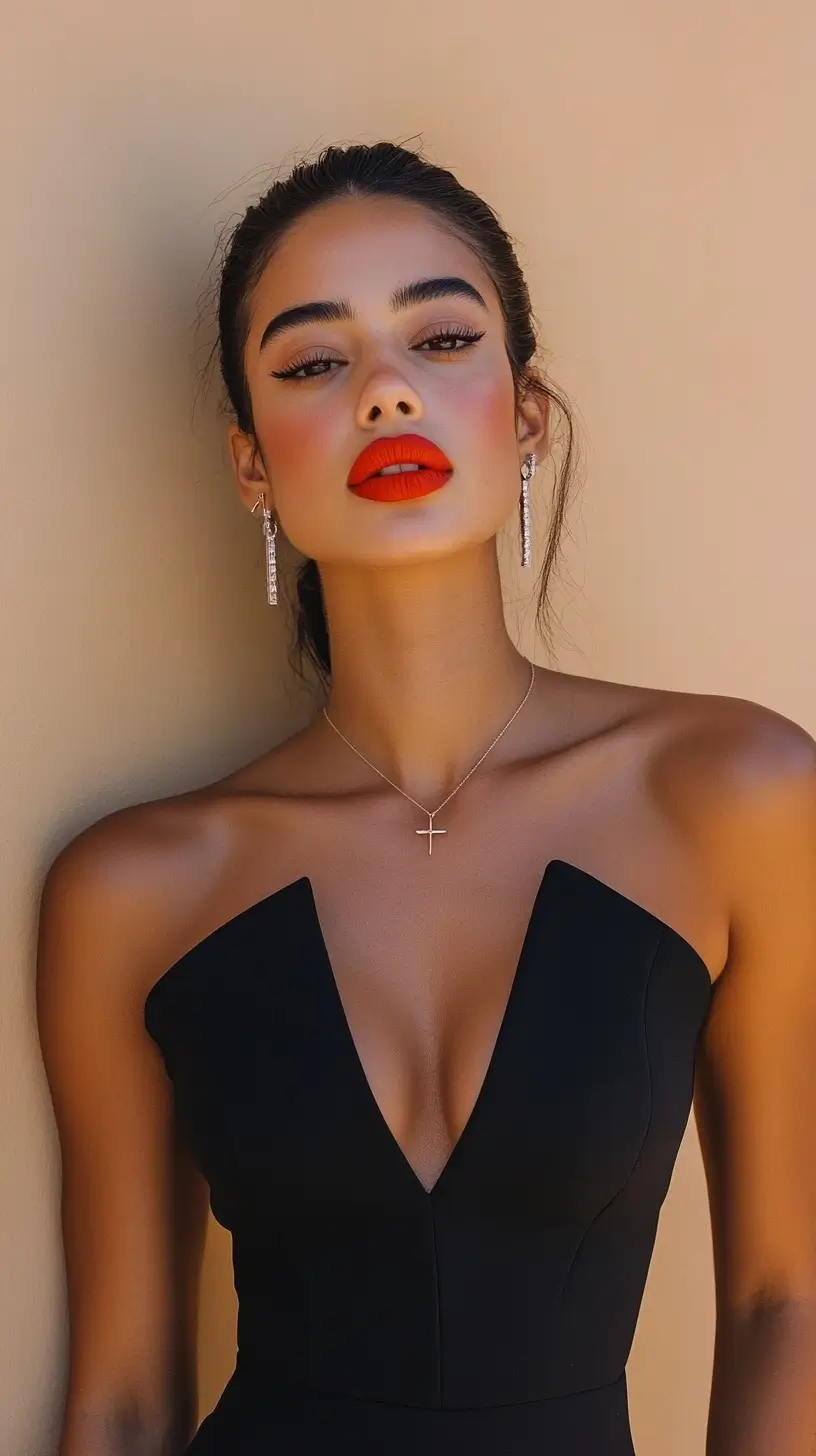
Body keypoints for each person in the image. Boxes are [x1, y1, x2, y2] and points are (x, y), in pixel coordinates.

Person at [37, 141, 816, 1456]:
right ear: (249, 463)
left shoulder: (733, 795)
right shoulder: (134, 889)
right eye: (313, 363)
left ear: (527, 416)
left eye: (441, 339)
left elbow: (786, 1296)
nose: (385, 393)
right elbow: (119, 1399)